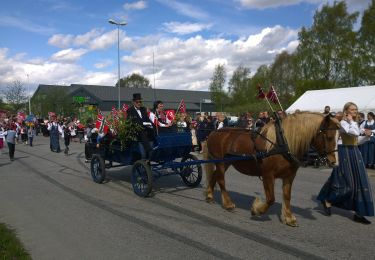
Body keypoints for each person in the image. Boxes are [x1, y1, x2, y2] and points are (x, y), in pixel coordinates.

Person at [317, 102, 374, 224]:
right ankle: (328, 200)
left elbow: (356, 140)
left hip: (354, 153)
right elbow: (354, 133)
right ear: (346, 111)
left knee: (360, 183)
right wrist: (352, 122)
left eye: (356, 109)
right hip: (345, 154)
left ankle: (359, 213)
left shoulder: (354, 123)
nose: (355, 111)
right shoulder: (342, 123)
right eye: (352, 109)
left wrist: (367, 137)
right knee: (348, 184)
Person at [127, 93, 155, 158]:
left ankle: (156, 148)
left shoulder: (143, 109)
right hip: (136, 131)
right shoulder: (130, 110)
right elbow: (131, 122)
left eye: (140, 102)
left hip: (146, 129)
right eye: (137, 102)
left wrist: (150, 124)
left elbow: (147, 119)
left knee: (152, 129)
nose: (139, 103)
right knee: (142, 132)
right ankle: (149, 149)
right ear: (133, 102)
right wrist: (142, 124)